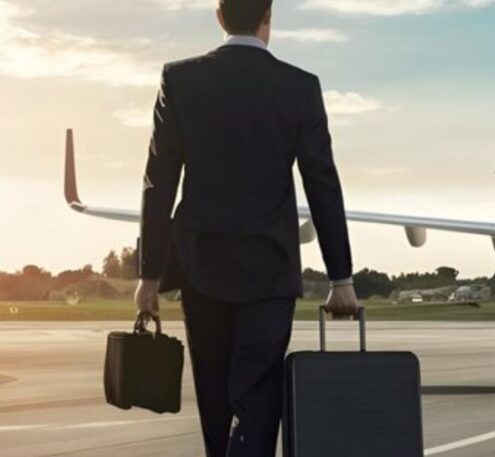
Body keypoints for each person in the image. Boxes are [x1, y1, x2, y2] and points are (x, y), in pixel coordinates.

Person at [133, 0, 359, 455]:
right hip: (269, 270)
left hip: (202, 267)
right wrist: (341, 278)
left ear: (220, 17)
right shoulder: (299, 87)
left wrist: (149, 274)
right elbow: (322, 184)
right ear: (268, 18)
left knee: (215, 399)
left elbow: (159, 180)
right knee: (258, 396)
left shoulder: (180, 79)